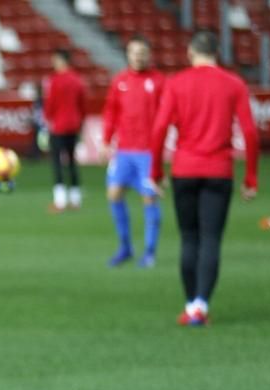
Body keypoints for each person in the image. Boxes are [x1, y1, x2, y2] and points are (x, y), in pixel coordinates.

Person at [150, 30, 258, 326]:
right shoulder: (234, 84)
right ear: (217, 53)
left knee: (189, 238)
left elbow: (159, 128)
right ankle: (200, 305)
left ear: (190, 53)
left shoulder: (176, 83)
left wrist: (156, 173)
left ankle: (190, 304)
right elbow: (249, 131)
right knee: (211, 239)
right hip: (218, 170)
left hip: (184, 169)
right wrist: (251, 177)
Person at [101, 37, 165, 268]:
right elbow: (111, 112)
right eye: (134, 52)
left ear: (149, 55)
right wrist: (106, 140)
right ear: (128, 55)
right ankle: (126, 247)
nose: (138, 57)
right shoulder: (120, 81)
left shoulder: (158, 82)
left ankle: (149, 252)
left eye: (142, 53)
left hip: (148, 152)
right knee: (114, 194)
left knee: (149, 198)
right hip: (124, 151)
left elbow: (168, 116)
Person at [43, 48, 87, 212]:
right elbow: (83, 104)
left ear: (61, 60)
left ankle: (60, 201)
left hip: (58, 126)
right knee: (72, 162)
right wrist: (80, 121)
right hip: (74, 125)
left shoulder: (55, 80)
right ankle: (76, 199)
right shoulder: (77, 80)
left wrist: (48, 118)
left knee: (57, 162)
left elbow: (50, 104)